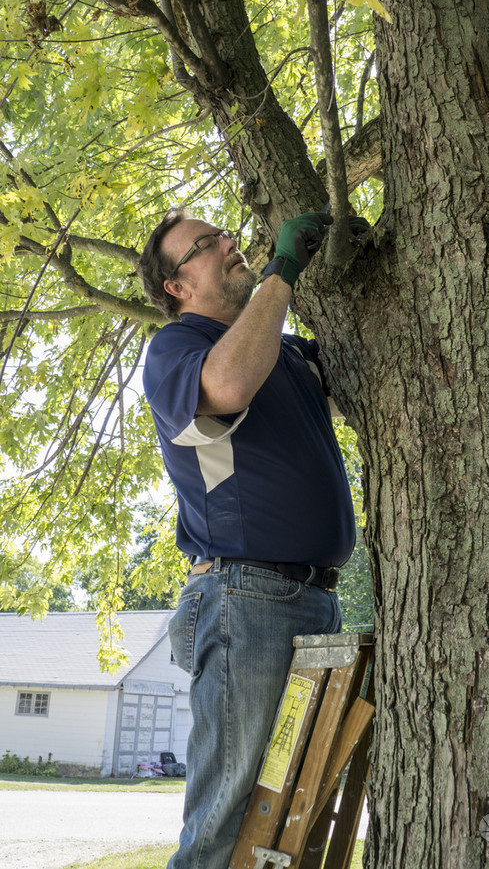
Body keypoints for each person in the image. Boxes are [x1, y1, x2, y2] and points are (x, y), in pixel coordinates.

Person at [138, 209, 361, 869]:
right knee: (223, 824)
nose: (230, 244)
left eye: (224, 234)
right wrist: (283, 269)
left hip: (312, 596)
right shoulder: (176, 350)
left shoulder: (283, 352)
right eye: (207, 246)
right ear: (177, 286)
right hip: (247, 598)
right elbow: (228, 385)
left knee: (293, 812)